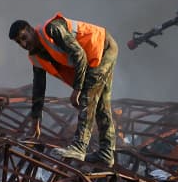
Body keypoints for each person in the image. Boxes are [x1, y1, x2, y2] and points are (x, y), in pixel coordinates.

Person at [8, 14, 119, 166]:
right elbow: (38, 88)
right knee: (101, 105)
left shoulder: (52, 29)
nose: (24, 43)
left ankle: (79, 146)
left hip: (102, 46)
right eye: (19, 42)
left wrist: (78, 89)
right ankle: (106, 154)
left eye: (24, 37)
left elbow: (79, 55)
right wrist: (36, 120)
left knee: (88, 97)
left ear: (30, 29)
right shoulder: (35, 56)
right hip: (94, 56)